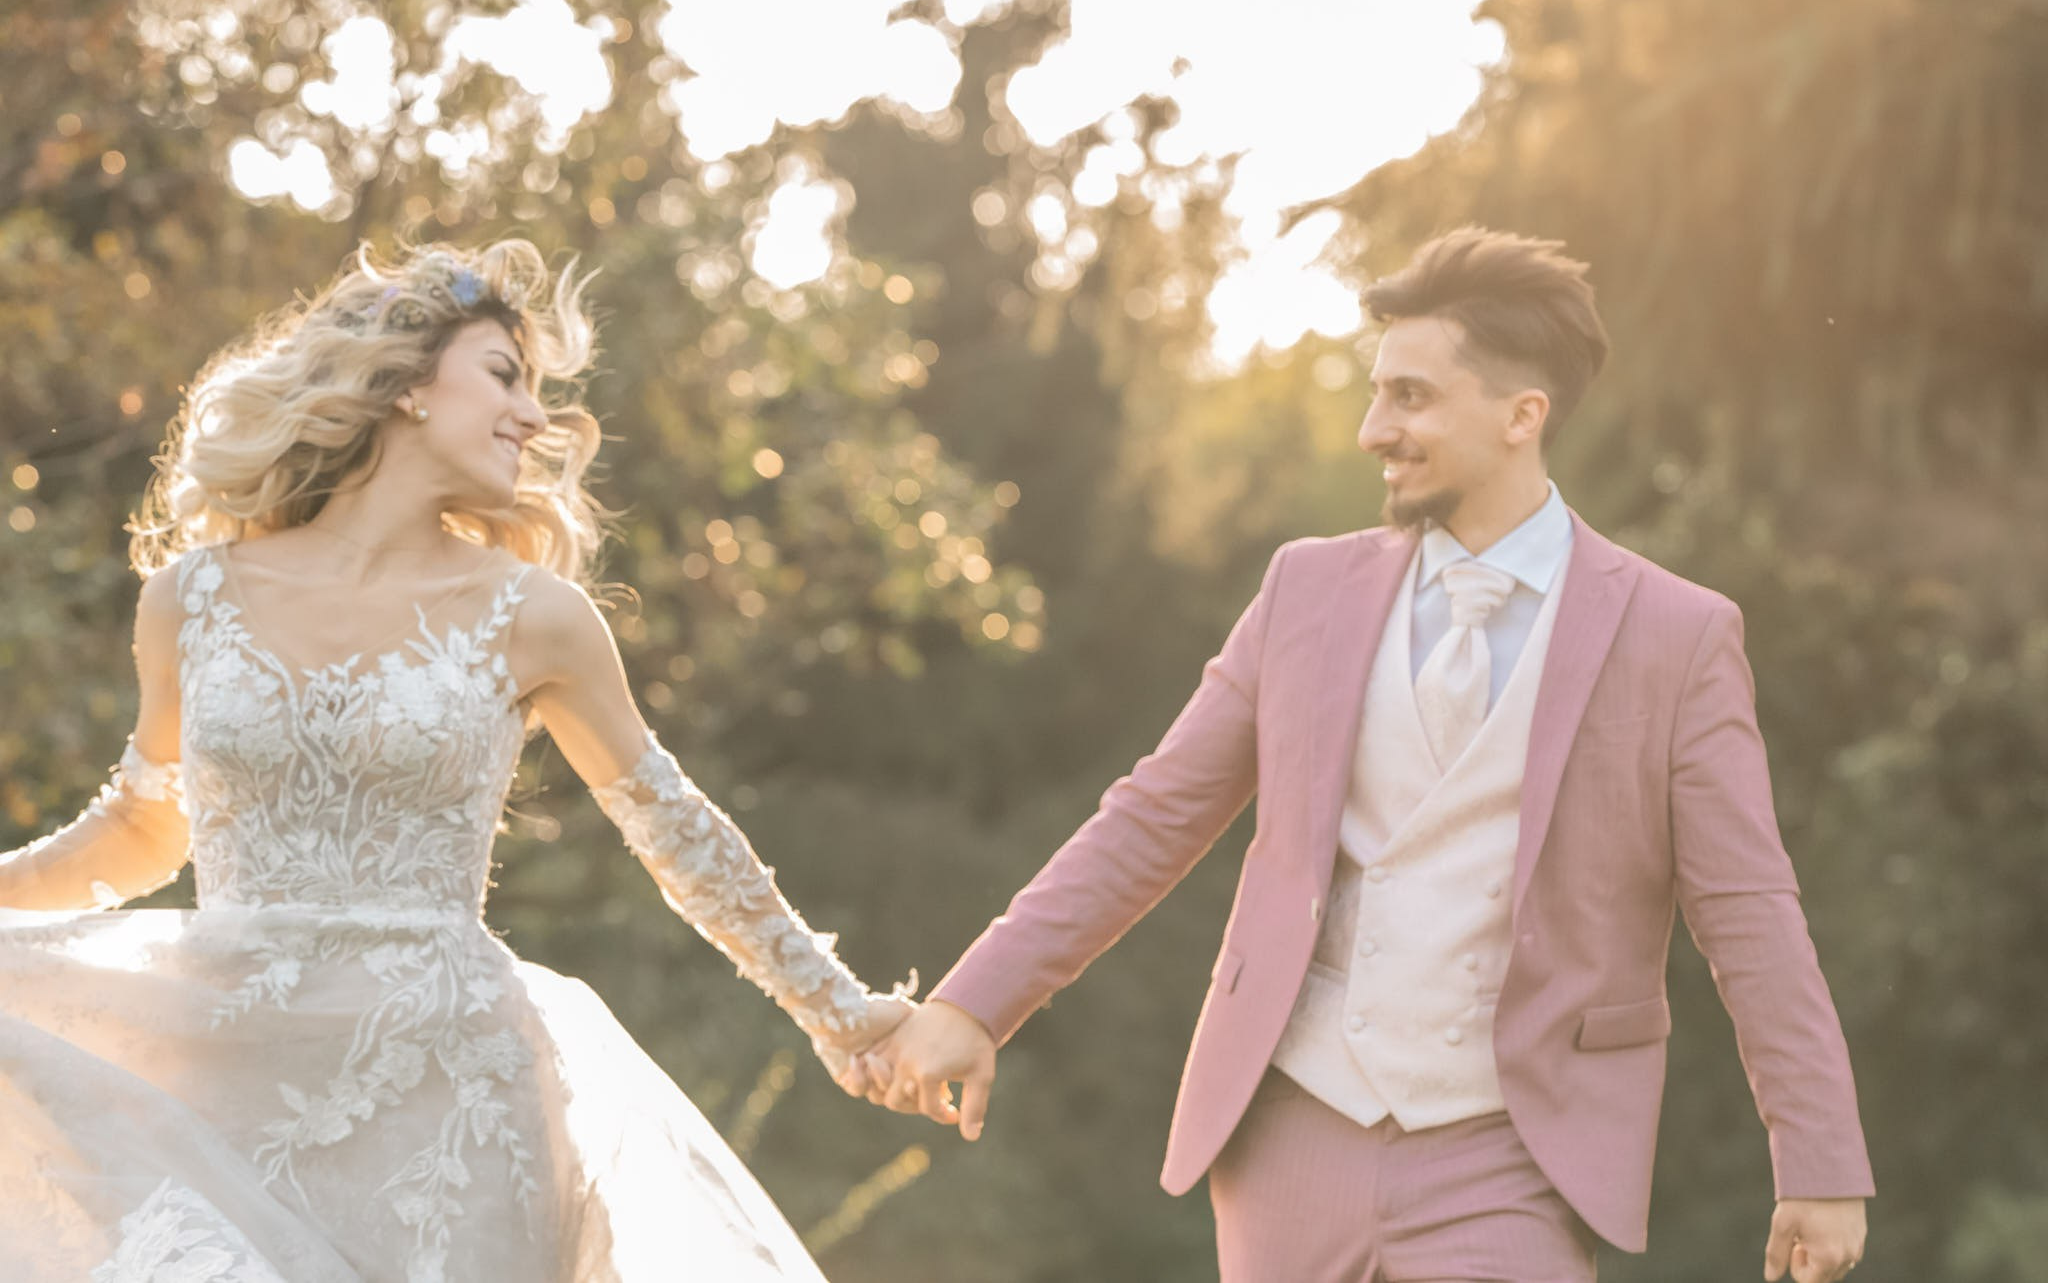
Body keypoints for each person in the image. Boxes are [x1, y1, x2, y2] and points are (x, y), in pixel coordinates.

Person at [865, 228, 1873, 1282]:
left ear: (1520, 416)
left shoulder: (1676, 635)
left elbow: (1747, 908)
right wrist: (974, 1002)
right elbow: (1152, 816)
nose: (1369, 430)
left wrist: (1818, 1157)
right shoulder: (1305, 590)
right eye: (1375, 394)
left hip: (1511, 1149)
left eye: (1409, 398)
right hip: (1291, 1126)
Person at [0, 239, 908, 1281]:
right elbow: (140, 829)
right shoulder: (190, 599)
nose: (534, 417)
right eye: (504, 375)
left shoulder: (538, 619)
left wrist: (845, 1012)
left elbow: (677, 834)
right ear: (405, 387)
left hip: (449, 1110)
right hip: (226, 1084)